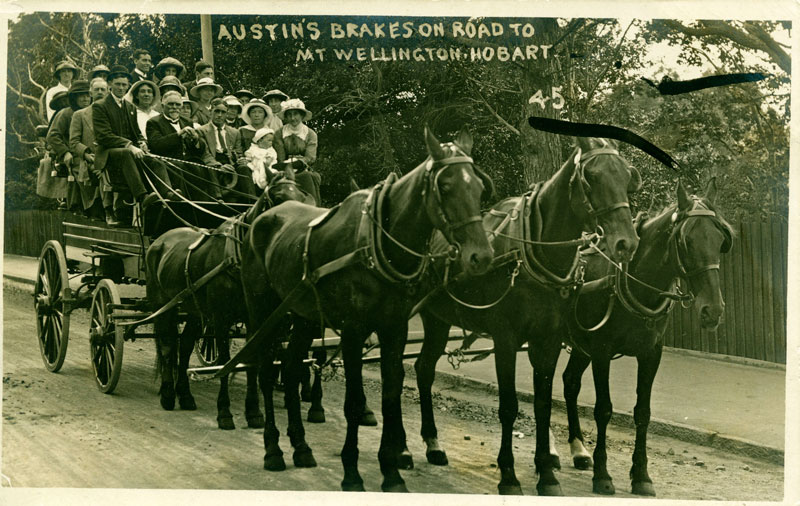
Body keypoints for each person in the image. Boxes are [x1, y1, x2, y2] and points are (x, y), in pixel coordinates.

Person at [92, 65, 178, 216]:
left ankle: (168, 193)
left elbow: (136, 132)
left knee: (155, 160)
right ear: (110, 84)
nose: (121, 88)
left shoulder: (130, 107)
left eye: (124, 85)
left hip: (129, 152)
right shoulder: (100, 106)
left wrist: (141, 143)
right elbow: (103, 136)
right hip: (108, 154)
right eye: (117, 84)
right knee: (126, 153)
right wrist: (130, 145)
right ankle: (142, 196)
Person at [146, 91, 215, 200]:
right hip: (167, 163)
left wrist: (196, 139)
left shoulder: (187, 121)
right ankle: (178, 200)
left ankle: (211, 202)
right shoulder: (154, 122)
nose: (174, 107)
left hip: (188, 162)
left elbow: (197, 150)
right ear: (163, 106)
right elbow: (156, 145)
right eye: (171, 104)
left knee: (204, 168)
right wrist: (178, 134)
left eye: (178, 105)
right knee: (181, 167)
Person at [70, 77, 116, 224]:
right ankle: (109, 210)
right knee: (103, 170)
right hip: (89, 160)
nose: (100, 92)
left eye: (103, 89)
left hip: (112, 156)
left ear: (108, 91)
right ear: (90, 92)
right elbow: (74, 142)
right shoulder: (79, 115)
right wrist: (86, 154)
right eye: (97, 89)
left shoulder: (114, 113)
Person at [47, 80, 90, 211]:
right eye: (81, 95)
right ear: (74, 98)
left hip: (90, 153)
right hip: (71, 155)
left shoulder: (94, 112)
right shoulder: (66, 113)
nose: (85, 98)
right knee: (83, 172)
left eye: (87, 95)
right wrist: (65, 152)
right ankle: (87, 206)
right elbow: (52, 136)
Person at [199, 98, 253, 198]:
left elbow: (238, 152)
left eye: (223, 112)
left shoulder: (234, 132)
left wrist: (241, 159)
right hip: (213, 162)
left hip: (230, 162)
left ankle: (251, 200)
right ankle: (218, 199)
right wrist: (219, 166)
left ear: (226, 114)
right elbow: (205, 154)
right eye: (216, 111)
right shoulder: (202, 131)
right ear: (211, 112)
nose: (219, 115)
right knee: (211, 168)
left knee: (244, 168)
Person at [274, 98, 320, 205]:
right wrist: (285, 165)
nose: (292, 118)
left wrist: (300, 162)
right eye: (289, 115)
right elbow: (280, 155)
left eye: (296, 114)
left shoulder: (310, 134)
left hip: (303, 167)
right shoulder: (280, 133)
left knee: (307, 177)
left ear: (302, 116)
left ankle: (313, 208)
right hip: (284, 167)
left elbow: (310, 157)